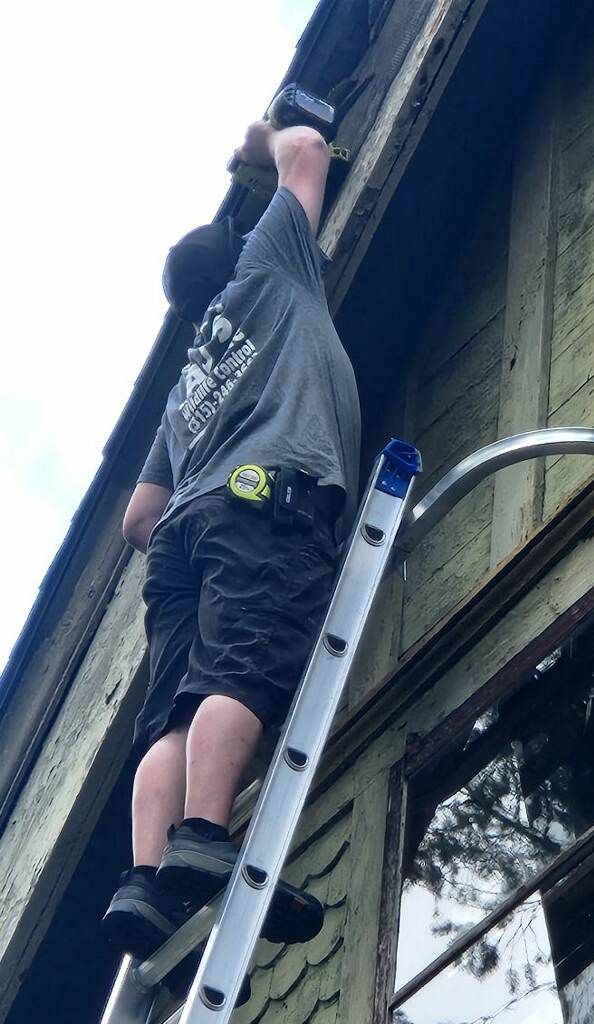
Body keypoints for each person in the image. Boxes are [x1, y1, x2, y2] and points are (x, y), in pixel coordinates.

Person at [102, 119, 361, 959]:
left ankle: (145, 880)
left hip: (183, 541)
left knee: (177, 709)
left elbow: (140, 516)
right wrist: (258, 144)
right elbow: (307, 150)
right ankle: (207, 834)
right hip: (263, 506)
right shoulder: (270, 267)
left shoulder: (189, 382)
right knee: (242, 668)